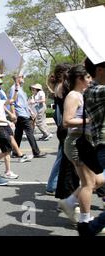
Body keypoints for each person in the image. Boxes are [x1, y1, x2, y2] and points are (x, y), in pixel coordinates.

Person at [58, 65, 105, 225]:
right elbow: (66, 121)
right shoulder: (73, 95)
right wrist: (89, 120)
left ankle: (69, 202)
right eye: (88, 77)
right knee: (88, 184)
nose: (91, 80)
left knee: (98, 180)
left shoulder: (84, 94)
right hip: (77, 143)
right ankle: (85, 221)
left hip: (86, 142)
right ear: (79, 79)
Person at [78, 58, 105, 235]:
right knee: (89, 183)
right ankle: (90, 227)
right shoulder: (95, 91)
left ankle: (90, 228)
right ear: (101, 69)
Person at [45, 64, 72, 196]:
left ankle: (53, 185)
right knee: (62, 157)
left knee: (62, 156)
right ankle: (52, 185)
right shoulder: (63, 87)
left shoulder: (58, 86)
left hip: (62, 126)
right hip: (65, 127)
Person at [9, 74, 47, 158]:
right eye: (22, 76)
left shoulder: (20, 89)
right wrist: (13, 114)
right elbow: (12, 102)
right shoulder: (13, 89)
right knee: (29, 132)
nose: (23, 78)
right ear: (17, 78)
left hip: (24, 113)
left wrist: (30, 111)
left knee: (18, 134)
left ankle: (15, 152)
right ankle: (36, 152)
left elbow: (24, 103)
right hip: (20, 114)